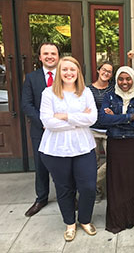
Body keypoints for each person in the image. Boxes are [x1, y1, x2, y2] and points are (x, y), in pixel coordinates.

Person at [39, 56, 98, 241]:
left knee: (88, 187)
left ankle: (85, 220)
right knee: (64, 189)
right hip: (56, 150)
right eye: (64, 69)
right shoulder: (48, 93)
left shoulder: (86, 92)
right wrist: (78, 119)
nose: (69, 73)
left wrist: (64, 116)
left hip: (83, 147)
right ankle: (70, 223)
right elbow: (48, 122)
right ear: (59, 72)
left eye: (72, 69)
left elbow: (92, 118)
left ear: (78, 72)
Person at [99, 66, 134, 234]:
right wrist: (129, 117)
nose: (124, 82)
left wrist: (115, 118)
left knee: (132, 180)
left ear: (133, 80)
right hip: (116, 143)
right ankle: (118, 219)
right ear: (117, 80)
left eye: (128, 79)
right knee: (116, 181)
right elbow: (103, 119)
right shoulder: (109, 96)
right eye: (121, 79)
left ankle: (132, 217)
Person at [22, 42, 60, 217]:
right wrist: (44, 122)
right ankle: (41, 198)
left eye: (53, 53)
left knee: (64, 165)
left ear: (58, 56)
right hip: (41, 129)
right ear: (40, 57)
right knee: (41, 164)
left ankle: (66, 196)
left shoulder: (66, 75)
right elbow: (27, 105)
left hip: (62, 130)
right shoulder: (31, 78)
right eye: (46, 53)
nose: (50, 56)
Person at [88, 61, 114, 202]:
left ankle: (93, 182)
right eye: (104, 69)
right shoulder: (88, 89)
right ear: (98, 70)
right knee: (93, 161)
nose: (106, 73)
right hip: (92, 130)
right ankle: (97, 191)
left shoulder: (113, 89)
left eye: (109, 71)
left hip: (109, 130)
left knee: (113, 159)